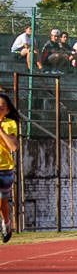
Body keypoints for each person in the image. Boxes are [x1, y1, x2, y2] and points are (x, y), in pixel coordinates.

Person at [0, 91, 20, 244]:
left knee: (2, 203)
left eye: (2, 108)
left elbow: (14, 147)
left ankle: (6, 222)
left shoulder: (10, 124)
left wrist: (0, 131)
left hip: (4, 168)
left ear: (7, 110)